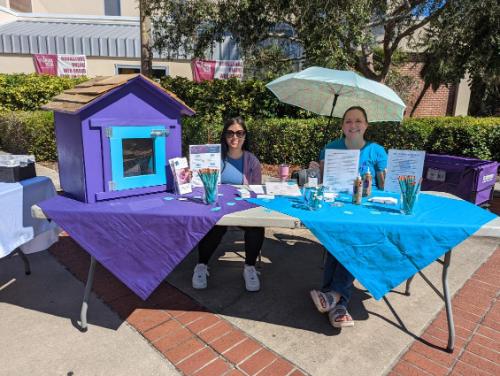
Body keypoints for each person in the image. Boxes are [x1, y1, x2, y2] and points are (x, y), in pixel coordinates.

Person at [309, 106, 387, 328]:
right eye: (348, 121)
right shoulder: (331, 148)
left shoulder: (376, 151)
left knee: (349, 240)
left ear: (366, 125)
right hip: (335, 208)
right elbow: (321, 182)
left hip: (366, 212)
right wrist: (315, 171)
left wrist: (388, 176)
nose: (353, 125)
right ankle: (337, 302)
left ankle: (333, 296)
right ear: (342, 125)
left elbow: (384, 186)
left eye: (358, 121)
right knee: (341, 240)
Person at [192, 116, 265, 292]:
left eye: (240, 133)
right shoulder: (214, 158)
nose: (235, 137)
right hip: (219, 207)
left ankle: (249, 267)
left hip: (243, 208)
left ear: (245, 136)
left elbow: (256, 191)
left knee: (257, 227)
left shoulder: (252, 160)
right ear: (224, 136)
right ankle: (201, 266)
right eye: (230, 133)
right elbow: (199, 183)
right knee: (214, 226)